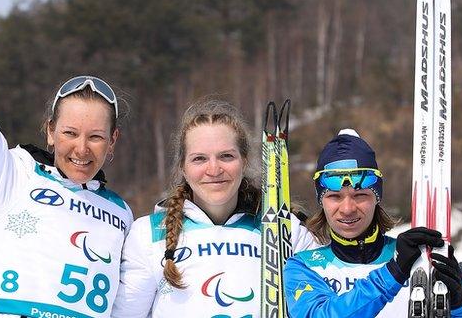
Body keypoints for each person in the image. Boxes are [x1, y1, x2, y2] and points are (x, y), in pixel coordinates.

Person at [0, 0, 133, 317]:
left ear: (112, 141)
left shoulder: (122, 215)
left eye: (96, 137)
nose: (82, 149)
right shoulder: (11, 177)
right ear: (50, 131)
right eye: (70, 133)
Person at [111, 99, 318, 317]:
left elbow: (321, 307)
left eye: (226, 156)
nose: (214, 169)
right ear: (183, 167)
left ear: (244, 161)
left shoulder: (285, 231)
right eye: (199, 159)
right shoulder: (148, 234)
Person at [283, 129, 462, 317]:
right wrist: (393, 272)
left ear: (376, 197)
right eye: (335, 197)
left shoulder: (417, 258)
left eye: (360, 195)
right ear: (321, 201)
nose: (347, 209)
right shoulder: (304, 266)